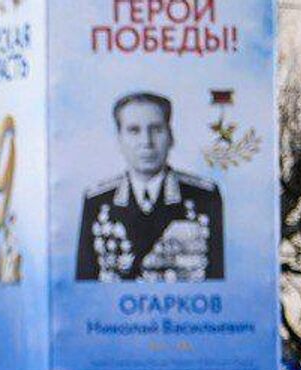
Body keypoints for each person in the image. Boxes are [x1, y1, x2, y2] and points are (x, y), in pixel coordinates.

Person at [75, 91, 223, 282]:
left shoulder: (203, 197)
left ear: (171, 136)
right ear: (119, 139)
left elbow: (216, 283)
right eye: (134, 130)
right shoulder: (97, 200)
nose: (146, 142)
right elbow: (86, 289)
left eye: (156, 129)